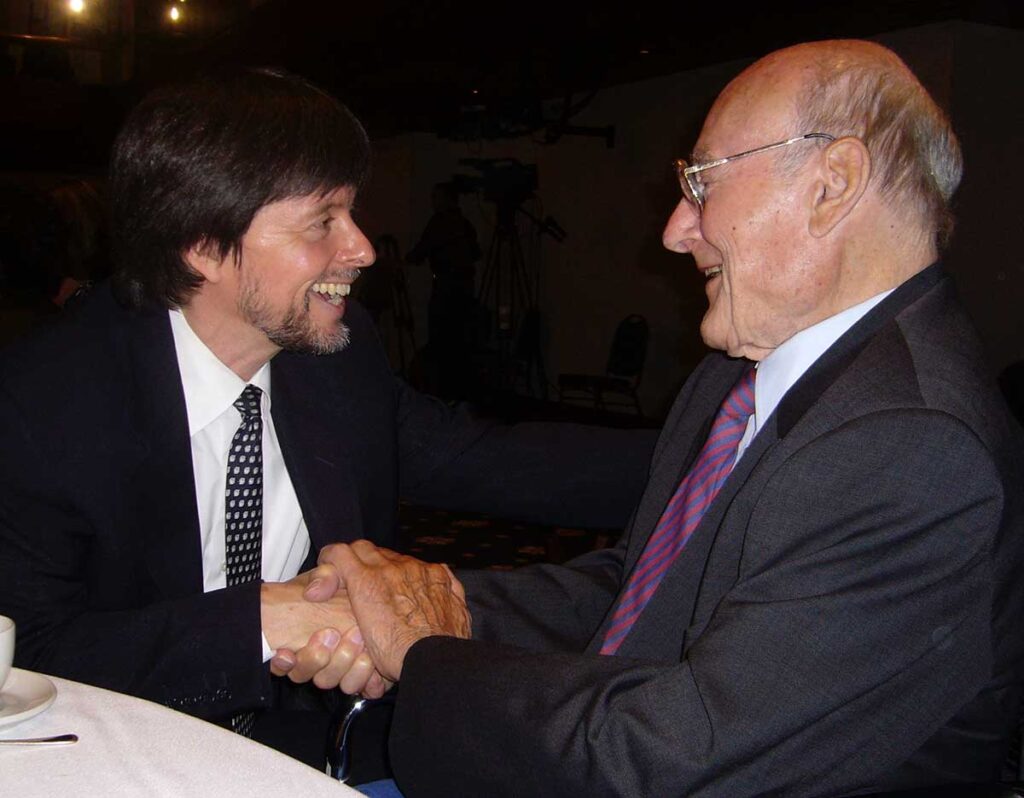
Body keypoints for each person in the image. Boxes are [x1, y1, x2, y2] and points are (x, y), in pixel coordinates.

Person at [302, 39, 1024, 796]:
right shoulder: (738, 380)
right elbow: (642, 589)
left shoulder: (912, 443)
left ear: (832, 183)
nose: (676, 230)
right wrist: (434, 597)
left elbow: (678, 760)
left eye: (702, 182)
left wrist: (421, 650)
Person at [0, 68, 655, 772]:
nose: (363, 248)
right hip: (106, 761)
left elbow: (488, 458)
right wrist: (264, 619)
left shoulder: (336, 359)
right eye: (323, 221)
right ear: (202, 244)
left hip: (315, 746)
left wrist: (724, 452)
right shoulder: (40, 402)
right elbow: (29, 654)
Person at [405, 182, 482, 398]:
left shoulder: (440, 222)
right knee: (459, 339)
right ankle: (460, 390)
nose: (433, 202)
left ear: (447, 199)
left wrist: (405, 259)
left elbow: (421, 251)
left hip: (447, 287)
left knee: (442, 338)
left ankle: (443, 391)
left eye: (436, 197)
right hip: (465, 288)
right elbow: (476, 253)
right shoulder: (465, 224)